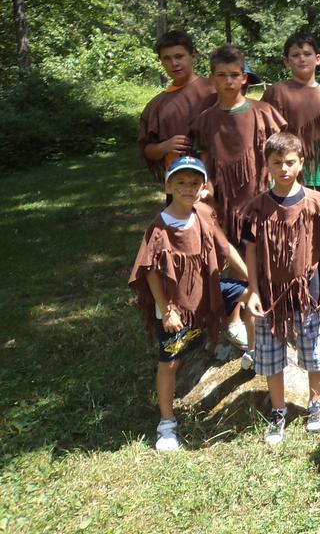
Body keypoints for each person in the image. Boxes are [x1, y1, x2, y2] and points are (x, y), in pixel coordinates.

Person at [128, 156, 248, 451]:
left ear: (202, 186)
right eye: (181, 182)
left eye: (194, 182)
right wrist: (167, 309)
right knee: (171, 361)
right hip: (173, 303)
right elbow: (152, 274)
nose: (187, 188)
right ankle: (167, 423)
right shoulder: (159, 227)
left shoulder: (204, 213)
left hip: (206, 289)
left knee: (250, 295)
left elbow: (226, 247)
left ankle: (250, 348)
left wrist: (251, 279)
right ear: (168, 185)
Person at [241, 132, 320, 444]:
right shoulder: (257, 207)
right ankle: (278, 409)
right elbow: (250, 251)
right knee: (271, 355)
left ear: (301, 163)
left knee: (313, 351)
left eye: (290, 162)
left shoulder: (317, 203)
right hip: (270, 296)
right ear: (268, 166)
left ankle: (316, 403)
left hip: (309, 291)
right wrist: (254, 291)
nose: (284, 168)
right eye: (277, 163)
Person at [190, 43, 286, 354]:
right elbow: (203, 158)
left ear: (245, 77)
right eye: (222, 76)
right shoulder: (206, 120)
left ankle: (269, 315)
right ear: (212, 78)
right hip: (223, 203)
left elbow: (281, 155)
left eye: (235, 75)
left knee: (266, 257)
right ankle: (232, 320)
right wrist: (203, 187)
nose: (229, 81)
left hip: (260, 200)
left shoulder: (264, 113)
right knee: (232, 261)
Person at [260, 31, 320, 214]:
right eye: (295, 55)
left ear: (318, 59)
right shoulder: (277, 93)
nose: (302, 59)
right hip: (287, 181)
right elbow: (264, 136)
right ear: (286, 61)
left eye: (307, 54)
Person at [138, 30, 216, 179]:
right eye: (167, 58)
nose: (174, 63)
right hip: (179, 184)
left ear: (193, 56)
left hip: (218, 181)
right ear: (160, 61)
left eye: (179, 56)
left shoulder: (214, 91)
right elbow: (147, 150)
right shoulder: (156, 106)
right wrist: (164, 146)